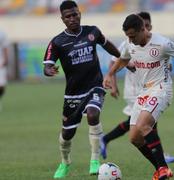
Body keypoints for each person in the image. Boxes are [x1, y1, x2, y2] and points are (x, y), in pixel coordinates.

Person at [104, 14, 174, 180]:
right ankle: (161, 169)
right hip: (143, 92)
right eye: (127, 36)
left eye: (132, 36)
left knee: (144, 125)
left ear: (142, 30)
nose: (130, 40)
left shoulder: (162, 43)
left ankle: (162, 168)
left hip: (161, 89)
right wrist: (109, 74)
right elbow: (123, 59)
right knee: (135, 138)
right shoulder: (130, 45)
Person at [43, 1, 120, 179]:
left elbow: (107, 44)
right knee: (67, 133)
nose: (72, 18)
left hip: (95, 85)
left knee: (93, 115)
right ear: (62, 19)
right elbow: (47, 66)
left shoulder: (92, 31)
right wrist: (49, 70)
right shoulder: (57, 42)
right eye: (68, 16)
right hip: (73, 94)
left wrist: (123, 58)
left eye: (75, 14)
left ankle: (94, 159)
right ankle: (65, 162)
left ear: (80, 14)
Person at [100, 11, 174, 164]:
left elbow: (169, 65)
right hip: (135, 90)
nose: (146, 29)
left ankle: (159, 159)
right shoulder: (128, 42)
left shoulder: (158, 43)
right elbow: (117, 61)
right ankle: (159, 158)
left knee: (143, 124)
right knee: (142, 125)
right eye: (144, 25)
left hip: (152, 88)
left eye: (148, 25)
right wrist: (113, 83)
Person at [0, 30, 9, 111]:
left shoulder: (2, 33)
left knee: (2, 86)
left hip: (1, 63)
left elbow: (5, 47)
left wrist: (5, 60)